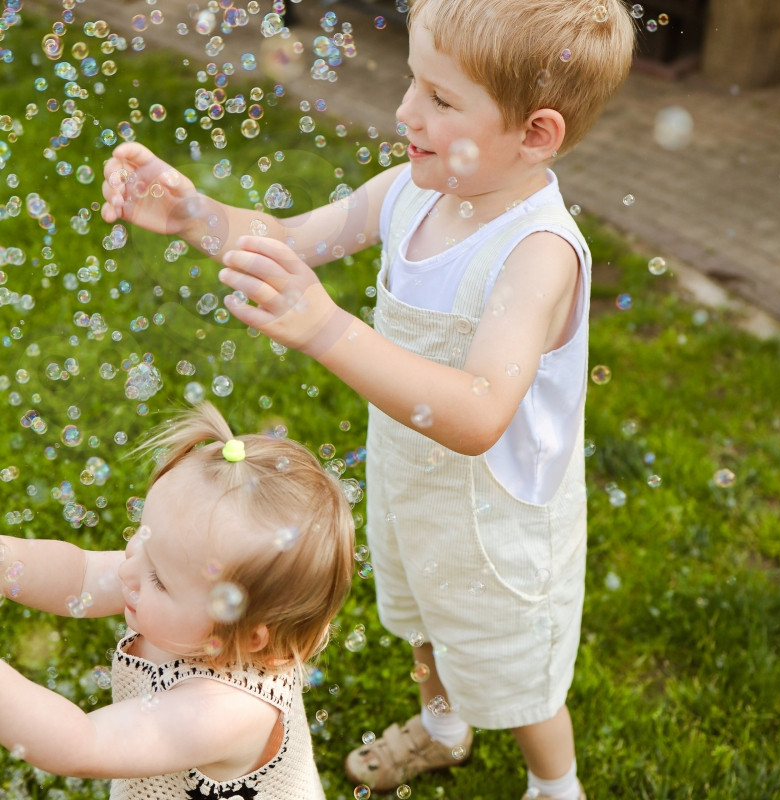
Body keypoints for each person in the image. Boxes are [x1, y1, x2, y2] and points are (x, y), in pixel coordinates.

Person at [100, 1, 636, 796]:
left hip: (498, 523)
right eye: (414, 82)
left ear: (535, 135)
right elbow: (282, 241)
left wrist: (326, 328)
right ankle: (444, 725)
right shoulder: (410, 192)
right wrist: (192, 214)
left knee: (512, 666)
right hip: (411, 481)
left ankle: (554, 783)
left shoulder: (537, 252)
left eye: (441, 99)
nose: (404, 110)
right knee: (422, 622)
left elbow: (479, 413)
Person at [0, 402, 354, 799]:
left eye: (159, 578)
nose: (128, 567)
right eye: (142, 536)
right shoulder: (167, 587)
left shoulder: (224, 710)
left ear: (248, 635)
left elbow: (82, 743)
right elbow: (80, 573)